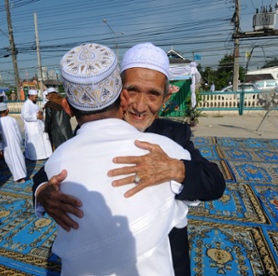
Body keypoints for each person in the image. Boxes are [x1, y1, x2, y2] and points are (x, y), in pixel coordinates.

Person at [35, 42, 226, 275]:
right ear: (120, 93)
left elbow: (214, 182)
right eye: (133, 90)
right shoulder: (86, 135)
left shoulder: (174, 136)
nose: (139, 106)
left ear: (165, 98)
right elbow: (44, 175)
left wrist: (176, 169)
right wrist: (43, 192)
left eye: (153, 94)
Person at [0, 102, 26, 183]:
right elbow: (18, 133)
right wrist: (20, 142)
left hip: (5, 146)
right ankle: (21, 176)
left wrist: (0, 148)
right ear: (7, 110)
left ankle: (16, 177)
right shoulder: (12, 120)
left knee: (10, 160)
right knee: (18, 158)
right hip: (15, 144)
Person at [21, 90, 53, 161]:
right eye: (35, 97)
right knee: (35, 142)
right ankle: (34, 157)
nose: (36, 98)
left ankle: (45, 154)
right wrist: (36, 116)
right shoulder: (26, 105)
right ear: (30, 96)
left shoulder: (34, 104)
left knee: (43, 140)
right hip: (32, 127)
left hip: (39, 125)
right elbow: (25, 116)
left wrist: (40, 114)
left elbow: (37, 112)